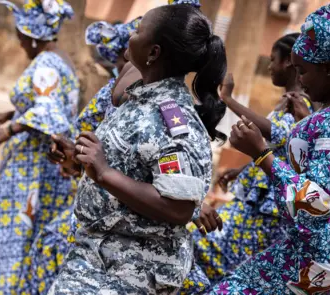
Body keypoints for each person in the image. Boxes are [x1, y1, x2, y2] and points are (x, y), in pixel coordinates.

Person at [48, 4, 227, 294]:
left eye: (139, 30)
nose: (131, 34)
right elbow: (129, 167)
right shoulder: (138, 100)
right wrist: (81, 159)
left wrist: (104, 172)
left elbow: (178, 206)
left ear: (153, 53)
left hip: (129, 272)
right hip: (97, 258)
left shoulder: (172, 122)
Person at [210, 0, 330, 293]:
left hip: (321, 247)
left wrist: (261, 153)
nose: (300, 80)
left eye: (303, 71)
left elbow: (315, 203)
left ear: (328, 68)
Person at [0, 1, 78, 294]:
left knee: (7, 235)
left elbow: (48, 111)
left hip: (31, 172)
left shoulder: (45, 64)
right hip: (49, 169)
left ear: (34, 35)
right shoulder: (60, 59)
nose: (19, 40)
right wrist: (10, 113)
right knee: (29, 237)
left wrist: (8, 130)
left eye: (21, 34)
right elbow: (46, 103)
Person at [181, 33, 314, 294]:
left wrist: (229, 101)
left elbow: (279, 135)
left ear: (289, 61)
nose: (269, 66)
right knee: (202, 250)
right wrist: (241, 169)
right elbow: (278, 148)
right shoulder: (288, 100)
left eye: (273, 60)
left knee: (208, 250)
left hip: (266, 209)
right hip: (253, 202)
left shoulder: (302, 103)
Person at [16, 17, 141, 295]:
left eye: (140, 34)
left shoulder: (161, 106)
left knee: (51, 245)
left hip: (125, 226)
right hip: (96, 210)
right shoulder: (116, 88)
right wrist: (73, 155)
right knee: (48, 247)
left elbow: (140, 172)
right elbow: (94, 146)